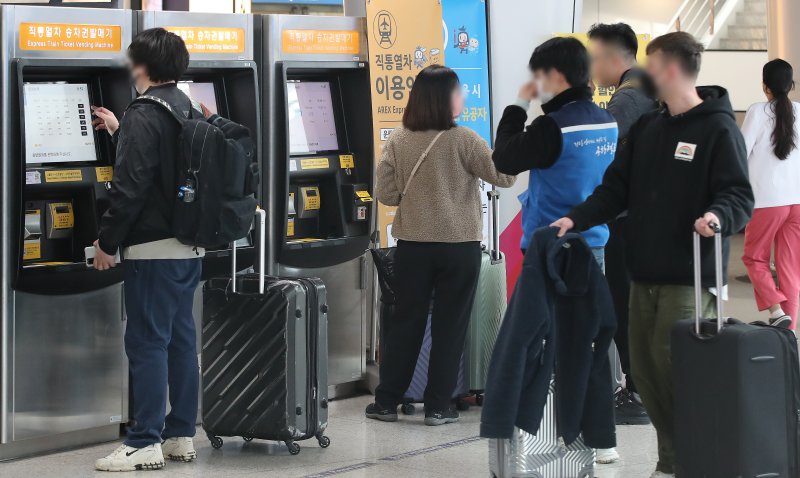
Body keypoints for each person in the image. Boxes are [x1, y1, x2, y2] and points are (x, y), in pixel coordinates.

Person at [551, 32, 754, 478]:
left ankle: (686, 462)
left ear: (672, 70)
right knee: (645, 372)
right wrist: (576, 218)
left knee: (675, 369)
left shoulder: (718, 128)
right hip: (643, 272)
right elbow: (615, 188)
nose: (645, 73)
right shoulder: (651, 127)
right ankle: (677, 460)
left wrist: (717, 217)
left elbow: (739, 195)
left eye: (652, 65)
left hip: (689, 275)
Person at [492, 36, 620, 465]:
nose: (536, 84)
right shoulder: (606, 121)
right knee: (588, 347)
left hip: (550, 255)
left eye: (538, 76)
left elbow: (504, 158)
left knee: (533, 344)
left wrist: (517, 104)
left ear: (555, 76)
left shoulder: (554, 126)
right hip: (594, 249)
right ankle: (601, 441)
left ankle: (533, 434)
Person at [367, 65, 515, 426]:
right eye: (458, 91)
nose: (463, 96)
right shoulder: (465, 139)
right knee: (451, 327)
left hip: (413, 248)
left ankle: (386, 401)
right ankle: (437, 406)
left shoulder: (399, 140)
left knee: (407, 323)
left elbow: (385, 194)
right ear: (445, 99)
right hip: (459, 246)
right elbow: (506, 176)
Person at [91, 28, 204, 472]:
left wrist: (107, 242)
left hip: (152, 249)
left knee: (146, 342)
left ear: (141, 66)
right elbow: (162, 170)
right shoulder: (187, 105)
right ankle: (179, 434)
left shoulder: (143, 112)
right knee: (179, 341)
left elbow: (131, 188)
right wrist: (121, 133)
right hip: (187, 245)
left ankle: (143, 441)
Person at [587, 22, 658, 426]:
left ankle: (637, 391)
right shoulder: (645, 90)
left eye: (595, 58)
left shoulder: (628, 99)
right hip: (644, 217)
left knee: (622, 306)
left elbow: (600, 144)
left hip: (627, 222)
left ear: (616, 58)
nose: (593, 67)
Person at [741, 59, 800, 330]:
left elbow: (739, 153)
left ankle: (776, 309)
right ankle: (789, 334)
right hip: (796, 201)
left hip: (766, 201)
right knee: (790, 269)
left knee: (755, 258)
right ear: (791, 85)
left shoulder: (757, 111)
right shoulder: (799, 111)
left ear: (765, 87)